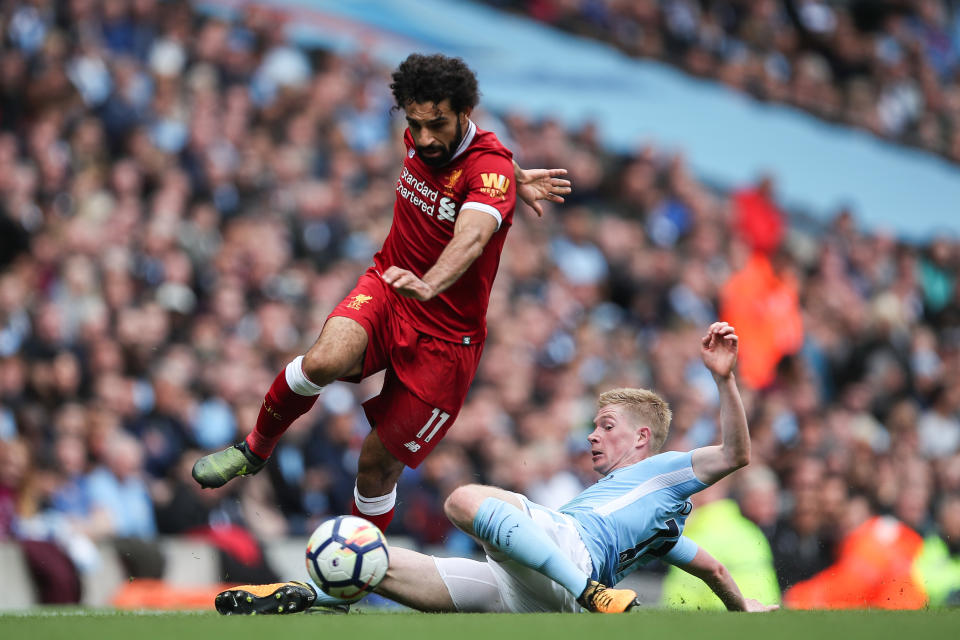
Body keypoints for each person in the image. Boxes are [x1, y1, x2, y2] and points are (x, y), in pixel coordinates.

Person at [191, 53, 571, 532]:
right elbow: (478, 153)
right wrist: (516, 173)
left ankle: (346, 586)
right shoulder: (423, 133)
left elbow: (471, 236)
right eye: (416, 124)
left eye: (437, 125)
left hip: (447, 341)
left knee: (374, 466)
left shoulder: (489, 171)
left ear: (464, 114)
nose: (425, 137)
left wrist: (431, 282)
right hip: (389, 288)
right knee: (323, 359)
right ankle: (254, 449)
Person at [214, 322, 780, 614]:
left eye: (606, 424)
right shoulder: (661, 526)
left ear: (642, 438)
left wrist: (724, 379)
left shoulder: (664, 471)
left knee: (463, 499)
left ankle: (592, 593)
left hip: (571, 564)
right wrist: (744, 608)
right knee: (379, 565)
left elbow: (735, 455)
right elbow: (713, 570)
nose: (591, 433)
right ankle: (308, 596)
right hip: (535, 591)